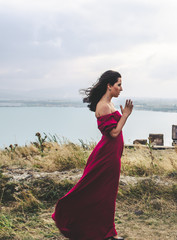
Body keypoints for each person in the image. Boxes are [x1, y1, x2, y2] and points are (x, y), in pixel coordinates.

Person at [52, 70, 133, 240]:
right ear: (109, 86)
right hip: (106, 156)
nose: (121, 88)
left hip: (112, 155)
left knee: (107, 195)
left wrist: (122, 115)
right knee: (101, 194)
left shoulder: (109, 104)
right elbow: (114, 133)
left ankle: (106, 232)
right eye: (119, 84)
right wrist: (125, 115)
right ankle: (105, 233)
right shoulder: (103, 106)